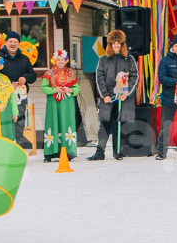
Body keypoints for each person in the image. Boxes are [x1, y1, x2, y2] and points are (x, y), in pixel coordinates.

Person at [89, 29, 139, 161]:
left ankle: (118, 151)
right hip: (109, 98)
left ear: (122, 44)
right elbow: (99, 78)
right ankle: (100, 151)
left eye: (118, 43)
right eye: (114, 43)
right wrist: (104, 95)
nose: (116, 45)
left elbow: (134, 77)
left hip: (123, 98)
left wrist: (126, 94)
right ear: (110, 45)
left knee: (120, 124)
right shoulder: (103, 59)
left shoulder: (129, 59)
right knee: (104, 124)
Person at [40, 49, 80, 163]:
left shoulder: (70, 73)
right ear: (54, 61)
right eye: (58, 60)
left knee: (66, 122)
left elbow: (77, 88)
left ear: (65, 61)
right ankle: (50, 152)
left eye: (62, 59)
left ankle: (67, 152)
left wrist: (70, 90)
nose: (60, 61)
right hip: (53, 102)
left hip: (67, 102)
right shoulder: (49, 73)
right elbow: (43, 88)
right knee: (53, 122)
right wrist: (54, 89)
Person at [0, 31, 37, 148]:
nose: (13, 44)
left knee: (19, 123)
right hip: (3, 97)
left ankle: (19, 148)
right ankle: (4, 148)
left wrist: (25, 78)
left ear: (19, 44)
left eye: (15, 42)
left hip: (20, 98)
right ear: (6, 43)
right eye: (10, 41)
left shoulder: (24, 59)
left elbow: (33, 75)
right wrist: (8, 84)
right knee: (4, 121)